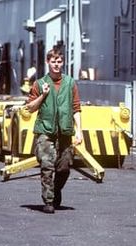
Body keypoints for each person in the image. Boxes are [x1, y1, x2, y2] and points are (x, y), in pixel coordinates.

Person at [26, 47, 83, 214]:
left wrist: (79, 130)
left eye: (59, 61)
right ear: (47, 62)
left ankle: (56, 190)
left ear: (63, 62)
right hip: (46, 130)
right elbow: (30, 108)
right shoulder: (39, 84)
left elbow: (76, 108)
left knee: (64, 168)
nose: (56, 65)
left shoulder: (70, 83)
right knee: (46, 166)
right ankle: (48, 200)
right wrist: (42, 95)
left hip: (65, 131)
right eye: (53, 61)